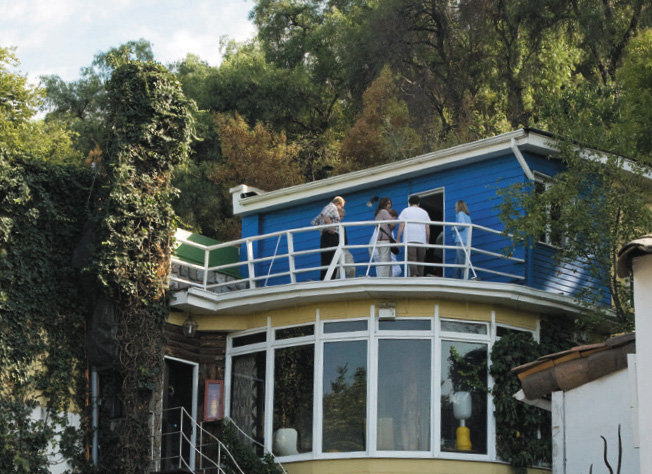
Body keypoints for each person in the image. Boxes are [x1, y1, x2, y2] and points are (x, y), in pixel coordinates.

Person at [396, 195, 430, 277]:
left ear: (409, 203)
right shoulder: (424, 212)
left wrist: (398, 239)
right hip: (421, 240)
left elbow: (401, 225)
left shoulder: (406, 211)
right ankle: (420, 276)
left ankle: (414, 275)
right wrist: (427, 241)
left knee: (412, 258)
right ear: (418, 203)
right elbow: (427, 228)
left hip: (410, 239)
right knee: (421, 260)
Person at [313, 196, 345, 280]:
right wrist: (331, 226)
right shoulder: (332, 207)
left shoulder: (329, 207)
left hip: (326, 236)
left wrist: (322, 230)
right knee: (331, 259)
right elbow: (324, 214)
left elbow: (315, 222)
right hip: (331, 236)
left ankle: (326, 279)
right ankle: (330, 279)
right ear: (338, 203)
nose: (341, 209)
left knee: (327, 260)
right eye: (342, 206)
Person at [374, 197, 395, 277]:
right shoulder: (384, 211)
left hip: (380, 239)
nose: (389, 205)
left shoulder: (378, 213)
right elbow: (393, 223)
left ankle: (387, 278)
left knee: (386, 260)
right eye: (388, 203)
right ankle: (383, 279)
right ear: (384, 204)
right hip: (384, 239)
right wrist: (392, 218)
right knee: (385, 260)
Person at [453, 200, 471, 279]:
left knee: (462, 263)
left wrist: (454, 228)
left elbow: (462, 225)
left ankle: (467, 279)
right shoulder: (468, 217)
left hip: (461, 241)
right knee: (457, 264)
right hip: (466, 241)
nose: (454, 208)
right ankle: (455, 279)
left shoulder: (460, 214)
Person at [337, 207, 356, 279]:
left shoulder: (342, 225)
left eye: (342, 216)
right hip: (335, 250)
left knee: (351, 268)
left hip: (344, 248)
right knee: (335, 272)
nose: (341, 218)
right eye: (340, 216)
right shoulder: (330, 225)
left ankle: (351, 282)